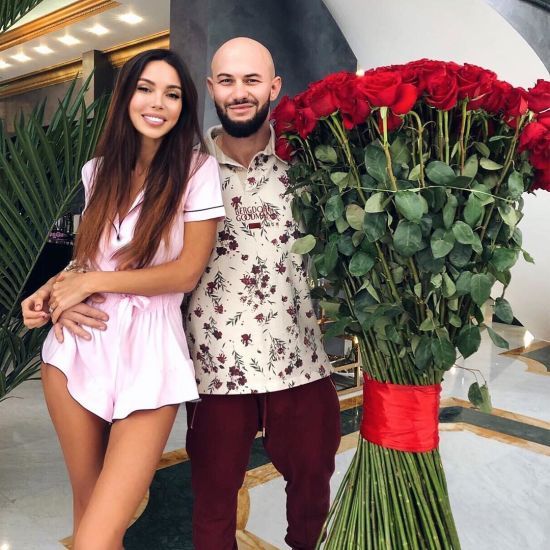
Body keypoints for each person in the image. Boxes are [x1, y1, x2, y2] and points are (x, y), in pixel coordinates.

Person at [21, 48, 224, 549]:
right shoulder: (97, 171)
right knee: (88, 514)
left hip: (151, 357)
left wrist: (91, 283)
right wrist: (52, 290)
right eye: (145, 89)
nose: (158, 103)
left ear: (184, 106)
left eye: (172, 94)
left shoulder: (198, 171)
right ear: (125, 97)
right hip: (77, 348)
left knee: (98, 533)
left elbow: (186, 272)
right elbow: (91, 258)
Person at [184, 37, 341, 550]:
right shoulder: (185, 171)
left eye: (251, 80)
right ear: (212, 88)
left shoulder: (311, 166)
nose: (239, 92)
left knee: (313, 497)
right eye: (227, 81)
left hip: (300, 359)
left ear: (273, 87)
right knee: (212, 507)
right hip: (215, 366)